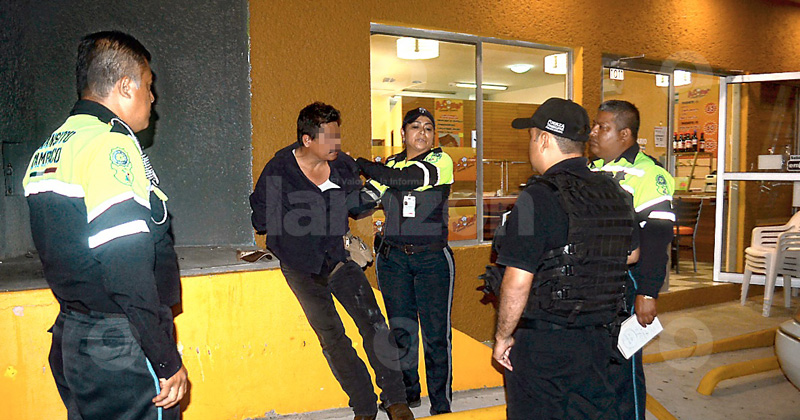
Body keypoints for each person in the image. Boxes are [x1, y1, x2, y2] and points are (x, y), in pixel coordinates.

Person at [22, 31, 187, 419]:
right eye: (148, 85)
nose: (153, 98)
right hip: (121, 345)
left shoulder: (56, 144)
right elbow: (125, 268)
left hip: (76, 335)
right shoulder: (111, 145)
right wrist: (164, 359)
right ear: (126, 86)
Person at [249, 102, 413, 420]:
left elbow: (358, 205)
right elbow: (261, 218)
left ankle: (396, 400)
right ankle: (364, 407)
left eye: (337, 135)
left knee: (375, 324)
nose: (336, 143)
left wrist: (368, 193)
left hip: (338, 257)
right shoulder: (279, 169)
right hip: (301, 266)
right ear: (307, 139)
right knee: (333, 337)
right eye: (329, 137)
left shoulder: (343, 166)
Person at [491, 98, 639, 420]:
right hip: (601, 339)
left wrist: (503, 336)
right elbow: (631, 254)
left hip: (544, 342)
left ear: (543, 139)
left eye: (532, 136)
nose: (531, 144)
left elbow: (517, 281)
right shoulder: (615, 191)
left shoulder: (535, 198)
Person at [356, 107, 455, 415]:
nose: (422, 132)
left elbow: (402, 180)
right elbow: (362, 203)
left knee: (436, 336)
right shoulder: (391, 165)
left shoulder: (440, 161)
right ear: (403, 133)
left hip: (432, 260)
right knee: (401, 332)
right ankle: (409, 395)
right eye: (415, 126)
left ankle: (441, 405)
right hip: (394, 260)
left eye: (428, 128)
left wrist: (360, 163)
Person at [588, 100, 675, 420]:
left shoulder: (649, 174)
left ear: (624, 134)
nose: (593, 132)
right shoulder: (592, 169)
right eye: (594, 125)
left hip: (628, 283)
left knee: (624, 368)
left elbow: (657, 239)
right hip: (593, 283)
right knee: (596, 365)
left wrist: (648, 292)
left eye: (602, 127)